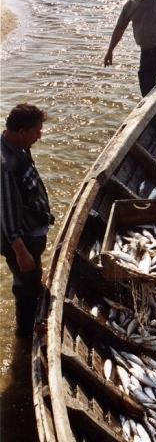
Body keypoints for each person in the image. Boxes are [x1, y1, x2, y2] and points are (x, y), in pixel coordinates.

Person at [1, 104, 55, 340]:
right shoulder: (5, 166)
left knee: (31, 282)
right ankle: (26, 335)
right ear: (22, 132)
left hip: (30, 234)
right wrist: (20, 250)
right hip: (23, 239)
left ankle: (34, 320)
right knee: (25, 288)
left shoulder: (14, 146)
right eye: (36, 132)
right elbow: (6, 211)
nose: (39, 137)